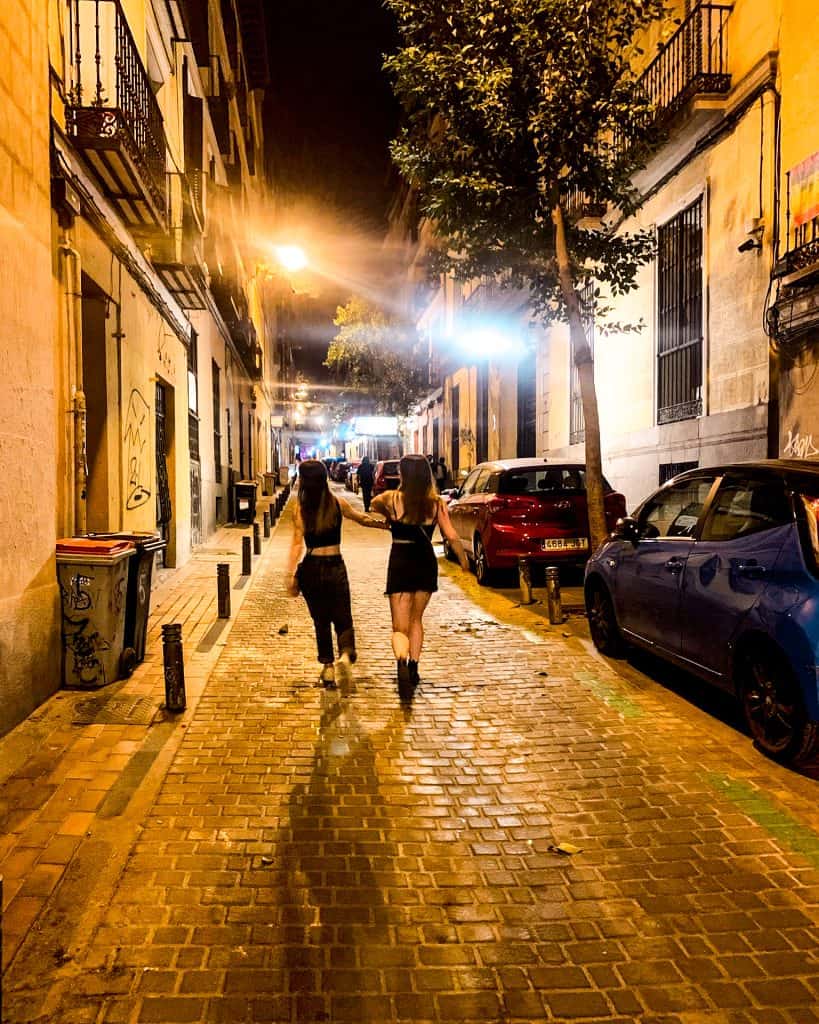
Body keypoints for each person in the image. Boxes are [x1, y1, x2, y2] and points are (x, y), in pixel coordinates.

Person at [371, 454, 469, 700]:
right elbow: (451, 535)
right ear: (426, 475)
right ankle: (414, 666)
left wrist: (388, 519)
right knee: (416, 620)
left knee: (399, 627)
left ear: (403, 475)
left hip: (401, 559)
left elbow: (373, 502)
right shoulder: (435, 503)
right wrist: (464, 560)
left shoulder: (391, 499)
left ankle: (402, 662)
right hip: (425, 562)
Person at [286, 459, 387, 688]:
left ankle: (328, 667)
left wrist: (291, 574)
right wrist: (383, 525)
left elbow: (296, 544)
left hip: (311, 568)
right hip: (334, 566)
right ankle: (345, 654)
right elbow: (362, 518)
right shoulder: (337, 503)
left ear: (304, 481)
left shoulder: (300, 509)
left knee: (320, 620)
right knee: (342, 616)